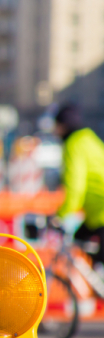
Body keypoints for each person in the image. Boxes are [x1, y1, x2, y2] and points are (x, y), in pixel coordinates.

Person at [53, 103, 104, 268]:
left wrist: (60, 216)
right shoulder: (89, 138)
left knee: (85, 247)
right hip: (96, 213)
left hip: (100, 213)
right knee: (83, 244)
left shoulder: (73, 144)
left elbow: (76, 187)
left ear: (63, 126)